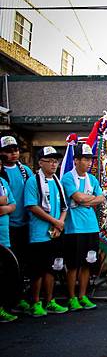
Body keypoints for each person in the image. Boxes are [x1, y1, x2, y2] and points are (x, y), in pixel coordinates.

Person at [24, 147, 69, 317]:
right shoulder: (33, 181)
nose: (53, 164)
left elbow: (64, 207)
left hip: (55, 233)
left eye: (55, 160)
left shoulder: (57, 181)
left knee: (52, 269)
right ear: (40, 162)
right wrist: (54, 222)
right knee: (38, 270)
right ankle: (35, 302)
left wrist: (60, 224)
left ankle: (49, 300)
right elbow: (32, 206)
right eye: (49, 160)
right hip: (39, 234)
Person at [61, 143, 104, 311]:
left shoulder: (92, 179)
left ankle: (83, 295)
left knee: (88, 262)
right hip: (74, 227)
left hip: (91, 226)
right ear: (76, 160)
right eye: (85, 159)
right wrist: (88, 199)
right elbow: (77, 197)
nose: (89, 163)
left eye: (90, 159)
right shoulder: (67, 178)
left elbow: (100, 198)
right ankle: (71, 297)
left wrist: (86, 200)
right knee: (73, 264)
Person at [0, 135, 34, 314]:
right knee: (7, 266)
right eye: (8, 151)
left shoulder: (25, 170)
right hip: (7, 226)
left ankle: (19, 297)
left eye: (16, 150)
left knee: (22, 264)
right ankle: (8, 300)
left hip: (25, 223)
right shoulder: (1, 173)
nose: (13, 154)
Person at [0, 159, 17, 323]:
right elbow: (6, 201)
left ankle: (3, 307)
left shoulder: (3, 182)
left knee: (3, 273)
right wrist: (3, 201)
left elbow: (13, 204)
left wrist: (4, 205)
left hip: (4, 235)